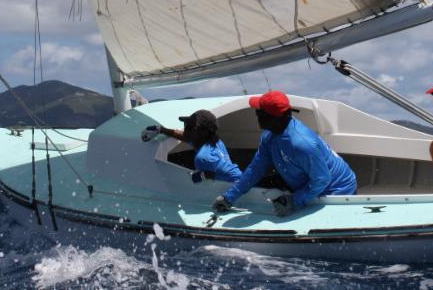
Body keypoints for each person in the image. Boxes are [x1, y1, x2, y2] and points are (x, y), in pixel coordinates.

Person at [212, 90, 357, 217]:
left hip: (337, 190)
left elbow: (322, 180)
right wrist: (229, 197)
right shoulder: (269, 135)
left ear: (268, 117)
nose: (256, 115)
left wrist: (294, 201)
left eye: (258, 112)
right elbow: (256, 168)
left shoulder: (301, 144)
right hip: (309, 180)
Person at [141, 109, 242, 183]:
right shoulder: (213, 141)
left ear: (199, 132)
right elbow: (186, 136)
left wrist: (205, 175)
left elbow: (238, 177)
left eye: (189, 127)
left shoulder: (205, 158)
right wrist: (162, 130)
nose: (185, 129)